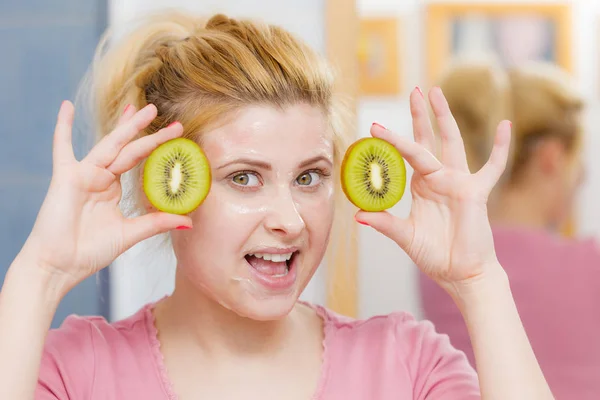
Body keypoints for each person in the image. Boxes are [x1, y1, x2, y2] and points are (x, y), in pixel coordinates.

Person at [0, 12, 554, 400]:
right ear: (166, 182)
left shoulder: (406, 364)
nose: (290, 219)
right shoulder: (78, 373)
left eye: (310, 176)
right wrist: (39, 274)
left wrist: (481, 281)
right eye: (244, 178)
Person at [419, 61, 600, 400]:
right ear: (551, 158)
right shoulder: (591, 264)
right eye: (579, 166)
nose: (581, 180)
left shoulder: (440, 262)